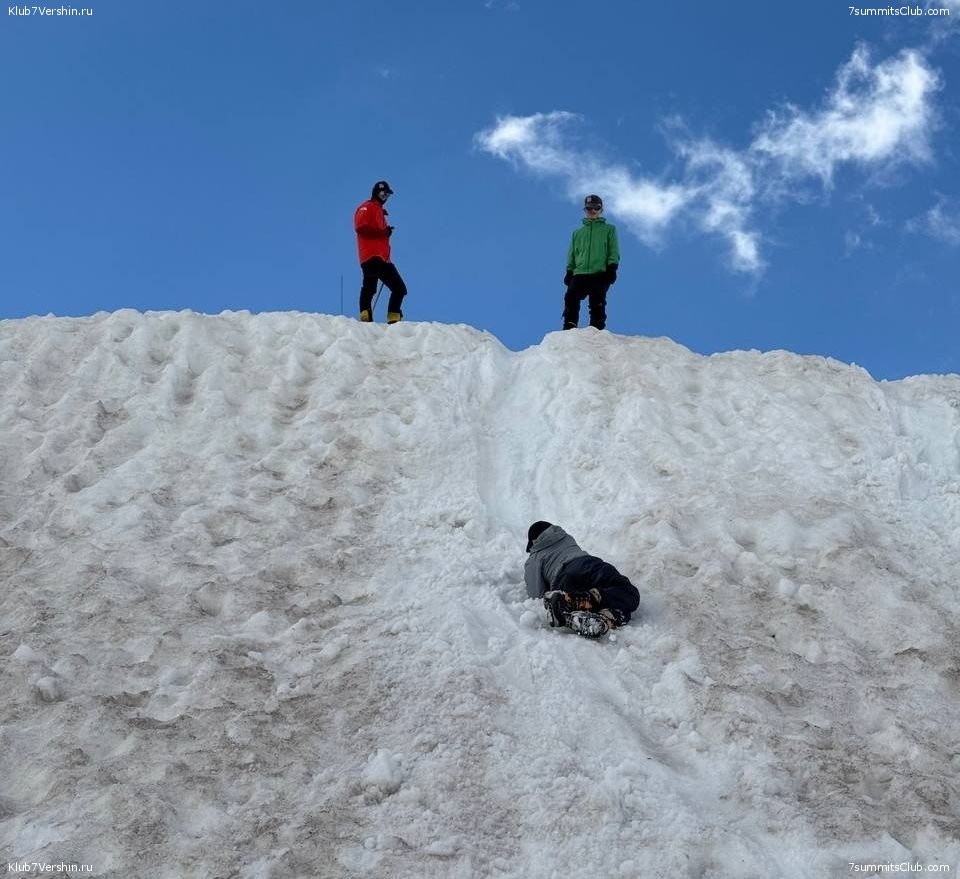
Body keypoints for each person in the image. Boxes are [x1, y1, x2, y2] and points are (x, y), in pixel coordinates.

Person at [524, 521, 640, 639]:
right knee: (628, 595)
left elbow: (536, 595)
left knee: (574, 601)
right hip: (594, 565)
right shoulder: (566, 537)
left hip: (564, 578)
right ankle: (599, 613)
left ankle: (570, 603)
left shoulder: (534, 558)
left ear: (533, 541)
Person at [562, 194, 620, 331]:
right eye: (589, 208)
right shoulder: (577, 233)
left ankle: (596, 328)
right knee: (571, 297)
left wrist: (612, 267)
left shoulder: (609, 229)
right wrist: (569, 271)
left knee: (597, 299)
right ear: (585, 210)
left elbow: (613, 249)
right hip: (580, 272)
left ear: (601, 210)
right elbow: (572, 253)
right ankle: (569, 326)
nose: (593, 211)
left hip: (599, 272)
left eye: (596, 208)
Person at [354, 180, 407, 324]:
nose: (385, 197)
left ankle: (366, 315)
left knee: (370, 287)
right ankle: (393, 316)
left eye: (387, 195)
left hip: (378, 257)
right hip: (373, 256)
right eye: (383, 193)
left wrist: (385, 233)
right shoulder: (367, 207)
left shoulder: (379, 211)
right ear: (376, 193)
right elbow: (361, 227)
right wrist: (383, 233)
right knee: (398, 288)